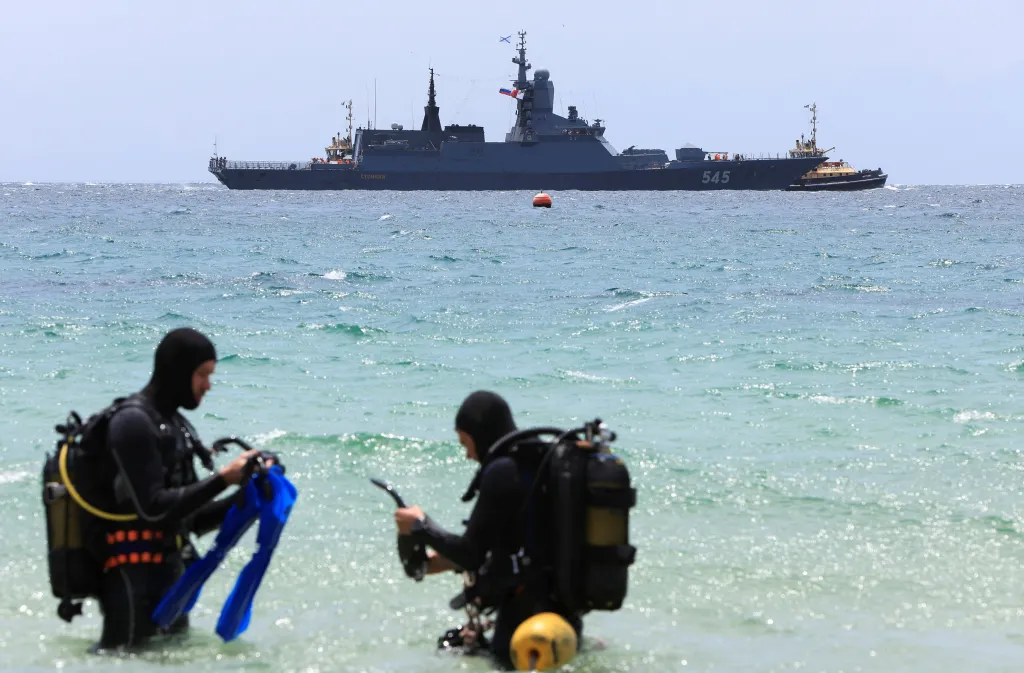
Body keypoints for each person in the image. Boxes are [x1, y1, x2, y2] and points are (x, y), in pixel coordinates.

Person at [89, 327, 265, 652]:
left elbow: (192, 519)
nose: (208, 386)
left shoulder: (177, 426)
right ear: (178, 371)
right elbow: (153, 508)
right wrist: (223, 478)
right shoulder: (132, 423)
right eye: (202, 375)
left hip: (171, 583)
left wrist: (250, 495)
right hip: (132, 583)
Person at [394, 390, 582, 670]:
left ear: (479, 435)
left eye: (465, 443)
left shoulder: (502, 471)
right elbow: (517, 542)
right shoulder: (539, 464)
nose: (468, 455)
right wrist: (442, 561)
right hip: (563, 619)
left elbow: (471, 554)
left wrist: (421, 525)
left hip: (522, 621)